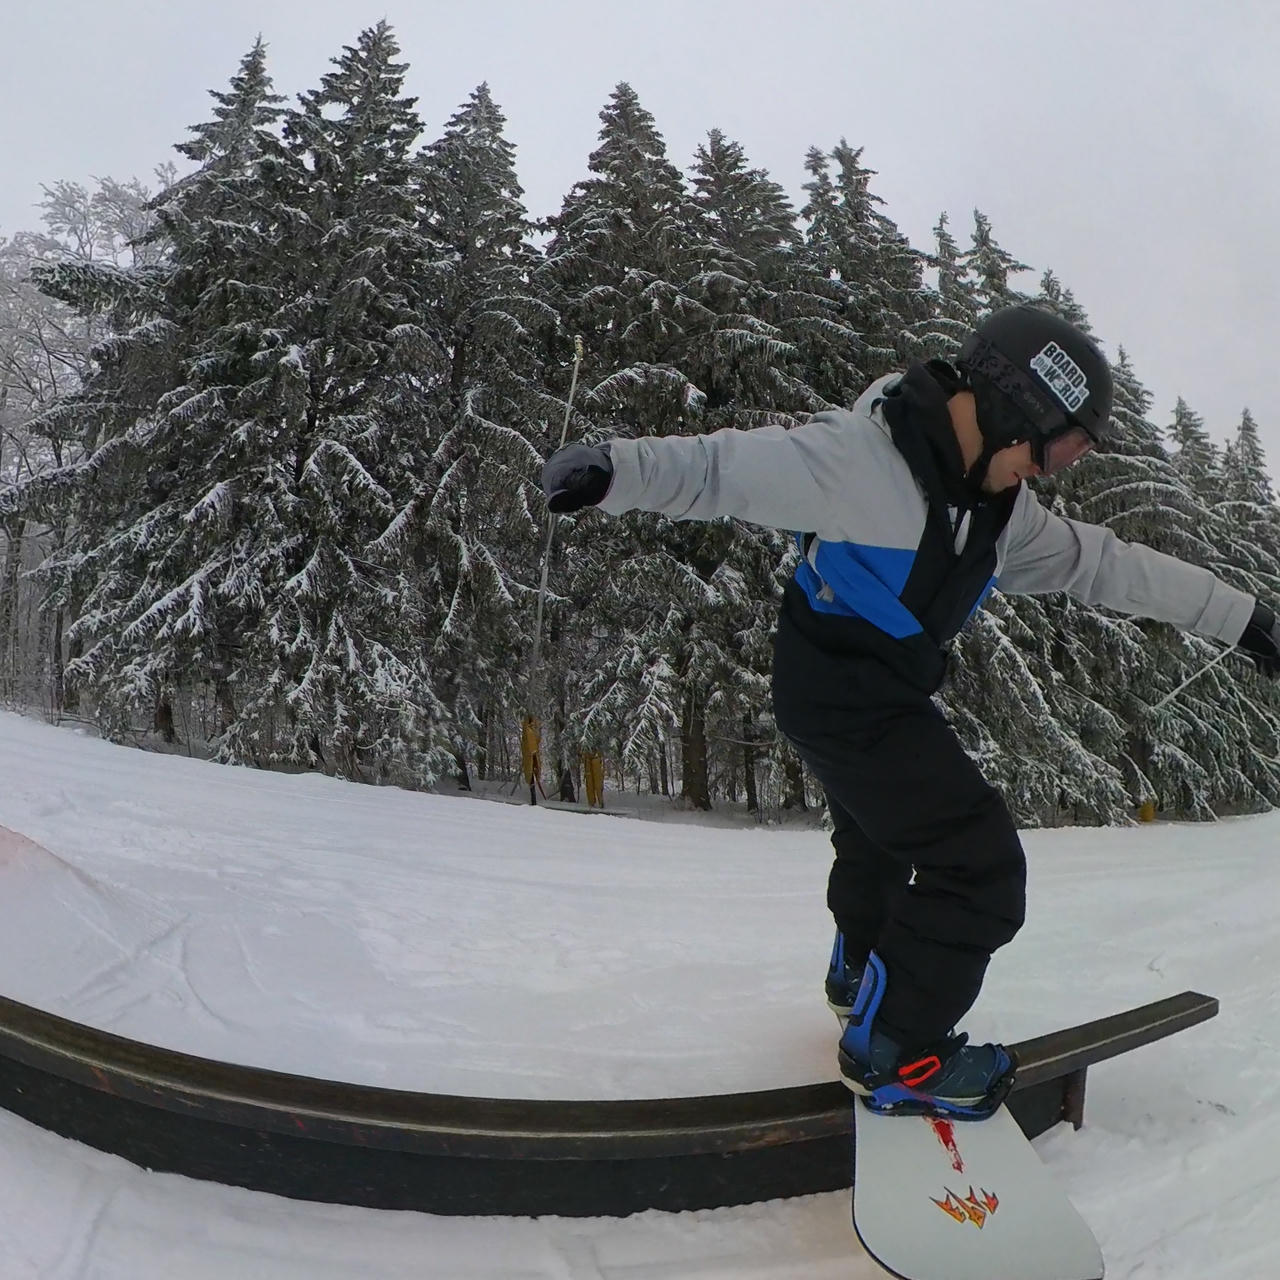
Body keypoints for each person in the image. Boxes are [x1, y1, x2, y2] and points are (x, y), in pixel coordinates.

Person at [540, 305, 1280, 1120]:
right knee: (982, 870)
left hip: (871, 691)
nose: (1051, 471)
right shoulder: (856, 461)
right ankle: (897, 1050)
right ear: (1013, 408)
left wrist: (1244, 619)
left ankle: (860, 968)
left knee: (880, 837)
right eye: (1061, 446)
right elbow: (720, 471)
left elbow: (1107, 566)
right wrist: (609, 469)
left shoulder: (1004, 515)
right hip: (844, 692)